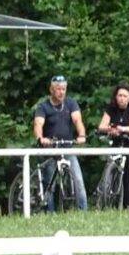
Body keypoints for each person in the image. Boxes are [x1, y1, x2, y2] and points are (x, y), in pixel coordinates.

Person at [33, 74, 87, 211]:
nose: (61, 92)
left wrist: (81, 135)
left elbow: (77, 120)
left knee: (78, 180)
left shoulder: (71, 103)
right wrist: (41, 138)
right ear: (51, 90)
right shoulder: (43, 106)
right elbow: (38, 124)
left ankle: (83, 211)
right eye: (58, 89)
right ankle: (49, 212)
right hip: (50, 149)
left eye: (63, 89)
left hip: (67, 148)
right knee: (49, 183)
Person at [97, 83, 129, 205]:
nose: (122, 98)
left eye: (124, 96)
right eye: (120, 95)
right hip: (117, 143)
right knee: (110, 168)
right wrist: (110, 129)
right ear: (116, 97)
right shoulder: (111, 108)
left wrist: (123, 129)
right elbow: (101, 126)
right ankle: (107, 198)